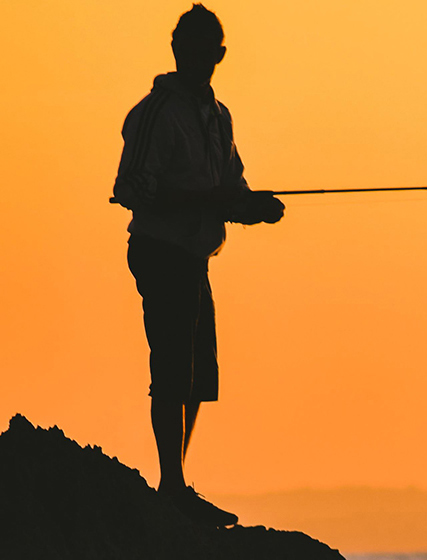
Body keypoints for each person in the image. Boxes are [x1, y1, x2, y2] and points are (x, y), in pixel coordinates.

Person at [111, 3, 284, 527]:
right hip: (160, 252)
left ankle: (175, 484)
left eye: (208, 49)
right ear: (177, 51)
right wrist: (207, 201)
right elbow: (129, 190)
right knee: (171, 369)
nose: (201, 58)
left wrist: (254, 208)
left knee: (197, 377)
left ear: (219, 55)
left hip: (195, 257)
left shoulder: (219, 117)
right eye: (192, 47)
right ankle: (172, 487)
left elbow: (231, 188)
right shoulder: (154, 113)